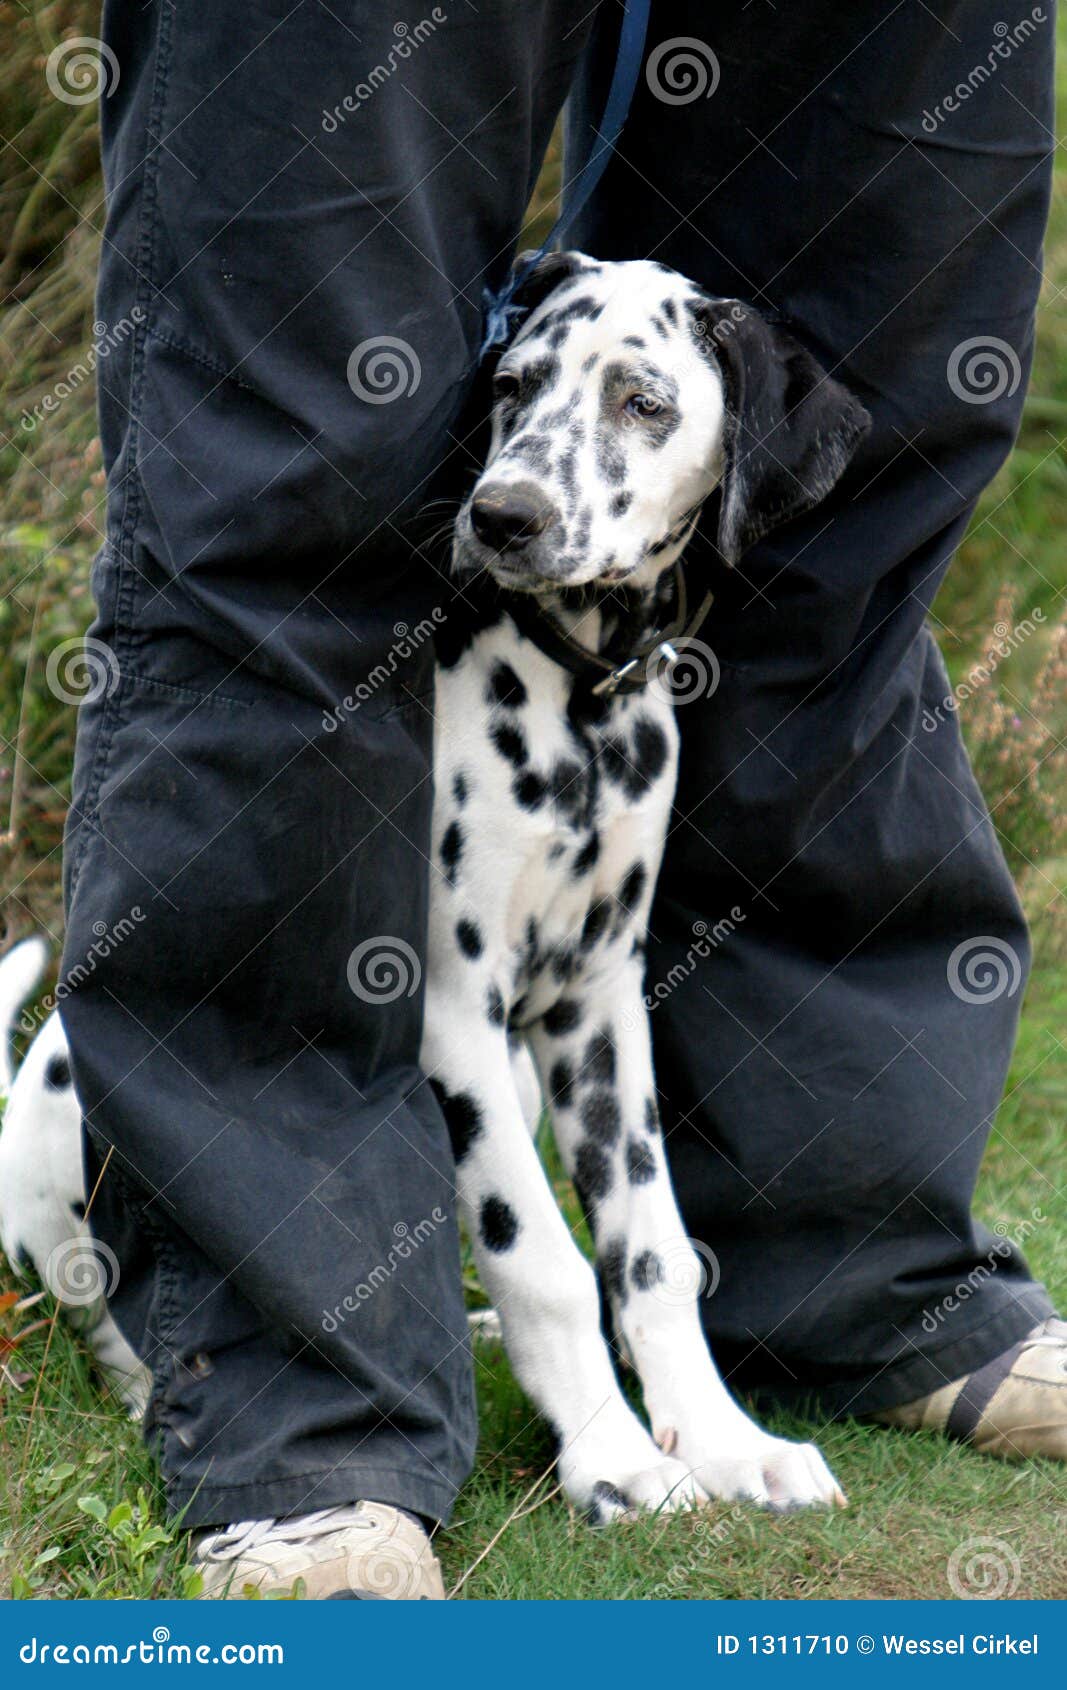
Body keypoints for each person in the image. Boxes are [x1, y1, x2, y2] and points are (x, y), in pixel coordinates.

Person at [58, 1, 1063, 1599]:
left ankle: (841, 1260)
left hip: (608, 709)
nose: (532, 468)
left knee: (881, 273)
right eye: (530, 395)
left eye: (645, 417)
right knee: (303, 371)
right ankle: (294, 1371)